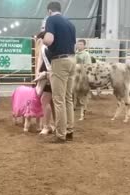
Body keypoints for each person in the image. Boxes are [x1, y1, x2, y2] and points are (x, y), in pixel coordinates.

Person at [43, 1, 76, 143]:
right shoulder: (70, 24)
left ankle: (60, 134)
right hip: (72, 60)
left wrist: (42, 37)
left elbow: (49, 40)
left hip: (59, 61)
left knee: (58, 99)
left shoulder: (50, 19)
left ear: (50, 11)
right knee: (68, 98)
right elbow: (73, 44)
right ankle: (69, 131)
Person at [34, 23, 55, 136]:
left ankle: (47, 126)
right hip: (45, 75)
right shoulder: (44, 47)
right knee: (50, 102)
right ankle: (54, 124)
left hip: (50, 75)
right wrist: (37, 71)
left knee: (45, 100)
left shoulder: (51, 45)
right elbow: (40, 59)